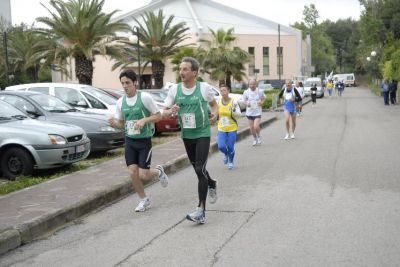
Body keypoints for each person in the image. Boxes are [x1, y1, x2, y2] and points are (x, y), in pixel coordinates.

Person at [163, 57, 218, 224]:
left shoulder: (204, 88)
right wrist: (170, 111)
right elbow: (164, 111)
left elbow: (214, 105)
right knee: (197, 169)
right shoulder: (174, 90)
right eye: (180, 69)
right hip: (187, 135)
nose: (182, 72)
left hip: (202, 132)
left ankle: (201, 210)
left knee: (200, 168)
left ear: (194, 72)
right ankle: (212, 183)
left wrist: (215, 114)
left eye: (185, 69)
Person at [109, 70, 169, 212]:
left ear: (135, 83)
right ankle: (144, 200)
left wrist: (144, 120)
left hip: (144, 141)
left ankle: (159, 172)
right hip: (130, 141)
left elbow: (158, 116)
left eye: (128, 83)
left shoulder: (145, 98)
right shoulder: (120, 102)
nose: (125, 86)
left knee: (144, 175)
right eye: (123, 83)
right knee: (132, 172)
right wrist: (114, 123)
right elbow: (122, 123)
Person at [217, 84, 242, 170]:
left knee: (231, 146)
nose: (223, 92)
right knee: (221, 146)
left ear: (228, 91)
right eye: (221, 91)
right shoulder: (218, 101)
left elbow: (239, 115)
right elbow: (215, 113)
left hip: (232, 127)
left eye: (224, 90)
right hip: (221, 128)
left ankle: (231, 162)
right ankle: (226, 154)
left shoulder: (233, 102)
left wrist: (234, 110)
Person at [241, 78, 266, 146]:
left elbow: (264, 98)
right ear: (248, 85)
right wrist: (247, 104)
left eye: (253, 84)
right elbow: (244, 100)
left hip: (257, 112)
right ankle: (255, 139)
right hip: (249, 112)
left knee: (256, 126)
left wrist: (262, 103)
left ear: (256, 84)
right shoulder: (246, 92)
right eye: (250, 84)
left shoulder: (260, 91)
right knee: (251, 127)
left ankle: (258, 136)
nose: (252, 86)